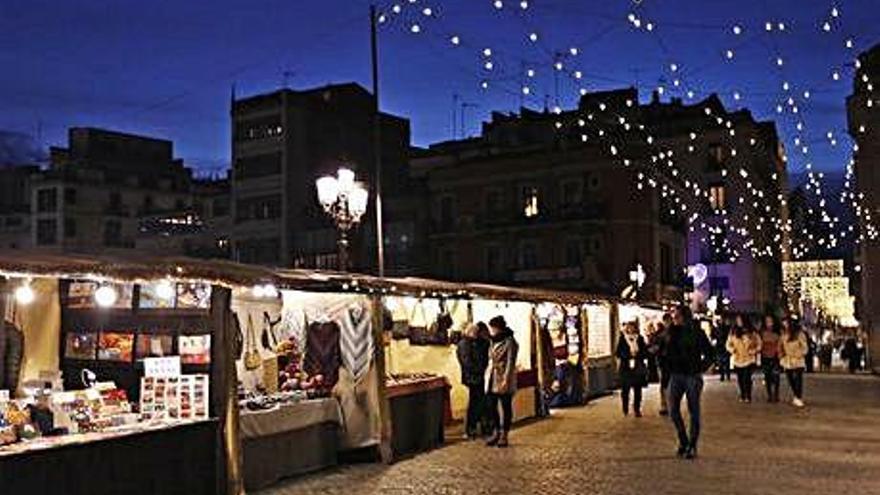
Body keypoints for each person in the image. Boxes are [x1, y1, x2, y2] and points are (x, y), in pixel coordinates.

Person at [665, 305, 715, 460]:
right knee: (673, 410)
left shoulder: (696, 333)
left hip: (692, 376)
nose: (674, 319)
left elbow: (710, 353)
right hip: (676, 375)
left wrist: (699, 367)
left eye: (677, 316)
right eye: (674, 317)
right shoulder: (671, 333)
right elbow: (666, 352)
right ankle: (683, 439)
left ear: (685, 317)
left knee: (694, 410)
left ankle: (692, 445)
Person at [486, 316, 518, 448]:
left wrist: (506, 379)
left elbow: (511, 361)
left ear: (499, 328)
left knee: (505, 406)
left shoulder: (510, 341)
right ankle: (496, 431)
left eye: (493, 328)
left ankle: (504, 434)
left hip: (504, 376)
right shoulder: (492, 341)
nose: (491, 330)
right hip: (491, 376)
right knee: (491, 405)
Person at [456, 322, 490, 439]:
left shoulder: (476, 343)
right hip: (473, 378)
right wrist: (480, 370)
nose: (476, 334)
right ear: (469, 332)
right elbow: (467, 362)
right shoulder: (465, 344)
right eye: (474, 332)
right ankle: (471, 428)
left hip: (477, 377)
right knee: (475, 402)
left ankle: (477, 427)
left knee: (478, 402)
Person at [616, 321, 649, 417]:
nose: (630, 329)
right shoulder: (622, 339)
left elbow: (645, 352)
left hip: (637, 367)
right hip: (626, 367)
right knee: (625, 389)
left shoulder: (640, 338)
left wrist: (638, 355)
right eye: (628, 327)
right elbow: (618, 352)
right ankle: (625, 407)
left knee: (637, 389)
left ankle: (637, 409)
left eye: (632, 327)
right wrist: (627, 355)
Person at [726, 314, 761, 403]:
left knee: (747, 377)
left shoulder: (752, 332)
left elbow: (759, 343)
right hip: (738, 358)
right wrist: (732, 350)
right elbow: (728, 344)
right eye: (737, 320)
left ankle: (748, 395)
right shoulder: (733, 332)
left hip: (749, 358)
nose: (739, 322)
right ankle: (742, 393)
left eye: (740, 320)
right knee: (740, 378)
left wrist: (753, 350)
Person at [779, 317, 807, 408]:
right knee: (790, 378)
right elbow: (781, 347)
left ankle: (798, 397)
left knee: (798, 379)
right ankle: (796, 395)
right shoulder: (784, 335)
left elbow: (805, 347)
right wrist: (782, 356)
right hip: (788, 360)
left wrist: (799, 354)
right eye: (784, 324)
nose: (785, 325)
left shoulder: (799, 334)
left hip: (798, 360)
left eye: (786, 323)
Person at [759, 314, 782, 403]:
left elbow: (780, 343)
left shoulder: (778, 332)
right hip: (765, 356)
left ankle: (776, 394)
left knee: (776, 376)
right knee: (767, 376)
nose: (769, 323)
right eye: (767, 321)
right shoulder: (762, 332)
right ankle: (769, 395)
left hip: (775, 356)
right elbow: (760, 343)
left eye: (770, 321)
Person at [714, 316, 732, 382]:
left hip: (723, 347)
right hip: (721, 347)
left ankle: (725, 376)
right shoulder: (718, 329)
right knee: (723, 363)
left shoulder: (724, 328)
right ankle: (724, 376)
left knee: (724, 363)